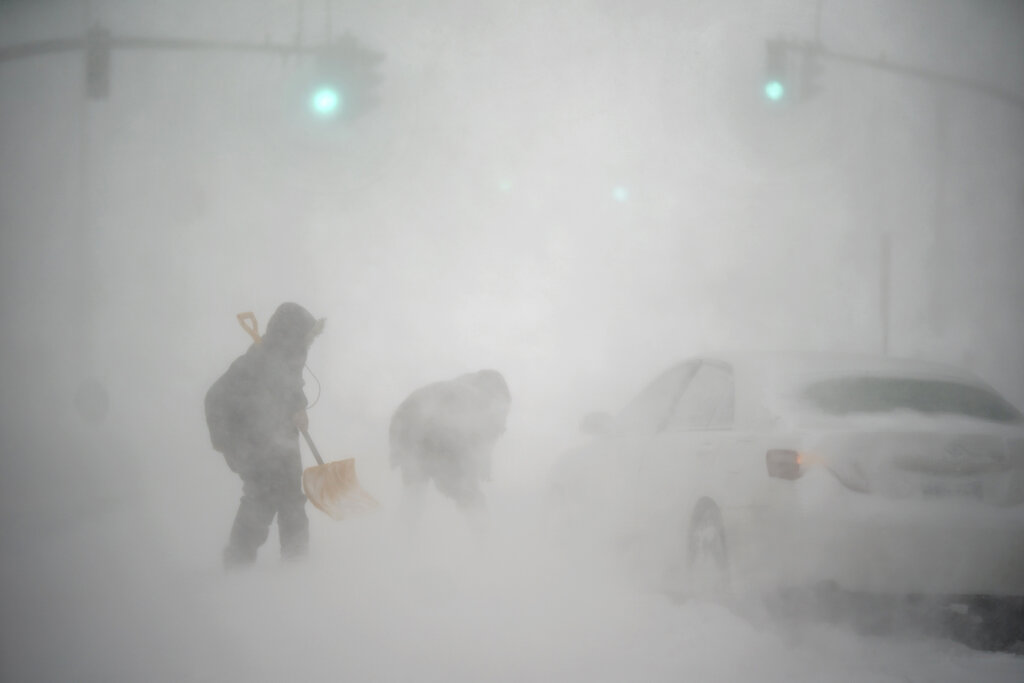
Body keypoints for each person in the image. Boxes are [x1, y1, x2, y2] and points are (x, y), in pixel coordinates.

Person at [205, 302, 324, 568]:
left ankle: (297, 566)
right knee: (261, 500)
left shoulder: (289, 356)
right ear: (291, 334)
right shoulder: (256, 362)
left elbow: (291, 388)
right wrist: (231, 446)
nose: (310, 341)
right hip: (253, 442)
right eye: (306, 335)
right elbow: (217, 399)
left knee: (291, 498)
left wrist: (299, 406)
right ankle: (237, 567)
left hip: (281, 440)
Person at [389, 369, 510, 524]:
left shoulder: (455, 389)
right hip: (433, 433)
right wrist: (482, 462)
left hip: (405, 427)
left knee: (414, 493)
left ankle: (400, 543)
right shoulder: (483, 399)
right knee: (471, 497)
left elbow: (485, 429)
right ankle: (486, 544)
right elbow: (488, 427)